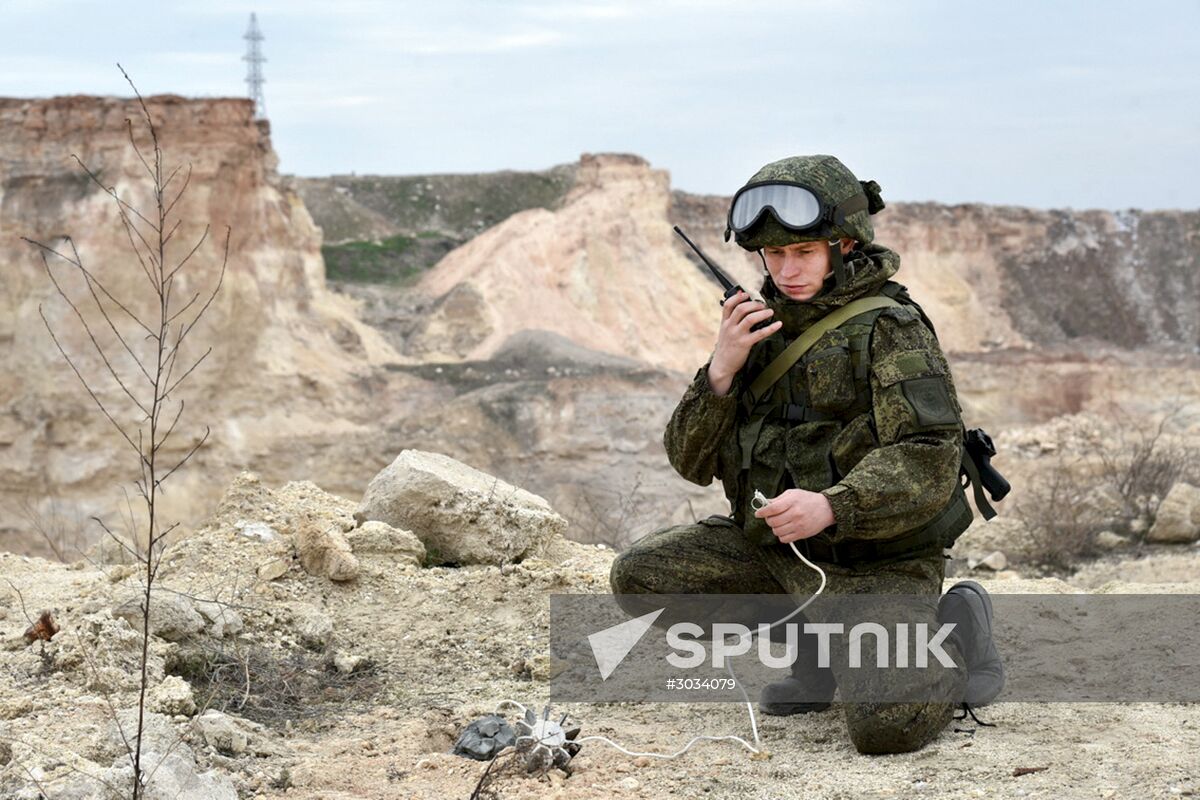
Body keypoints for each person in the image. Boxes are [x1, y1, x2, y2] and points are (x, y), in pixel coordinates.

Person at [609, 154, 1004, 755]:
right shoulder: (756, 331)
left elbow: (928, 455)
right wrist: (720, 372)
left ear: (843, 246)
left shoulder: (890, 327)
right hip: (783, 555)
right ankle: (817, 649)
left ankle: (953, 632)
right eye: (773, 256)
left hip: (878, 562)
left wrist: (833, 506)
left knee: (885, 726)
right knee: (642, 577)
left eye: (803, 253)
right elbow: (689, 463)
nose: (786, 270)